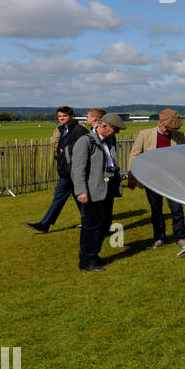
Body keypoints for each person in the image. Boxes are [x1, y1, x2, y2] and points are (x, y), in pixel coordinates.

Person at [128, 108, 185, 249]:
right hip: (152, 179)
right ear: (160, 123)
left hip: (173, 180)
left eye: (172, 129)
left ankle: (180, 237)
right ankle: (159, 238)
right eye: (167, 129)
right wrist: (132, 175)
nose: (169, 132)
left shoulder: (179, 136)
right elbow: (134, 155)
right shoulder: (144, 134)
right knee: (156, 211)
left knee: (177, 209)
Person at [72, 112, 125, 272]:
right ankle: (87, 261)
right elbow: (78, 169)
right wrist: (81, 191)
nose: (116, 133)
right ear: (104, 126)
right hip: (92, 190)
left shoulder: (109, 141)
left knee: (103, 224)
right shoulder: (85, 141)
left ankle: (94, 255)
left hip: (107, 189)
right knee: (91, 226)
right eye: (115, 130)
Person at [25, 106, 88, 232]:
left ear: (72, 116)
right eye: (59, 116)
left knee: (63, 196)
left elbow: (83, 148)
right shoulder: (62, 129)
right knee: (76, 197)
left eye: (64, 116)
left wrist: (65, 151)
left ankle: (45, 223)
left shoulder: (79, 130)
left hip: (75, 170)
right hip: (66, 169)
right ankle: (87, 221)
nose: (61, 118)